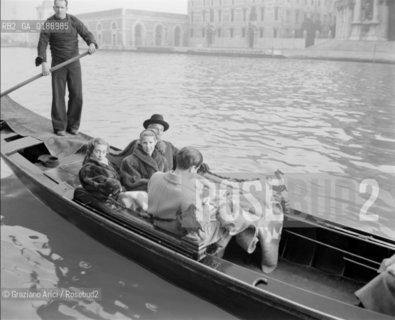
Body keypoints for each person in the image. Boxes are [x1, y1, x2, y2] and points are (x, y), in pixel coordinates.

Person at [147, 146, 231, 255]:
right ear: (193, 168)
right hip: (176, 230)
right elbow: (194, 226)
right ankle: (214, 256)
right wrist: (207, 204)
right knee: (228, 224)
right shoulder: (190, 195)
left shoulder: (155, 176)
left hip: (155, 219)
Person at [36, 0, 97, 136]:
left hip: (74, 63)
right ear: (53, 8)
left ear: (66, 8)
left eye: (62, 7)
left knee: (77, 95)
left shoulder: (74, 21)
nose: (59, 10)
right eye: (57, 7)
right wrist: (44, 63)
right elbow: (42, 44)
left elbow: (86, 33)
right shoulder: (48, 23)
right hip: (58, 65)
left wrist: (92, 43)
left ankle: (73, 125)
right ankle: (59, 127)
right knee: (58, 96)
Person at [113, 114, 178, 170]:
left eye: (161, 130)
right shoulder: (138, 144)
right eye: (156, 129)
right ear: (149, 130)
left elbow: (181, 156)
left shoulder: (169, 145)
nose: (159, 132)